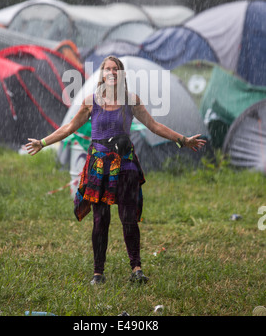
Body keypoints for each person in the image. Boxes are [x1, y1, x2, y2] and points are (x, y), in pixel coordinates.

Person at [26, 55, 206, 285]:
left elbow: (154, 125)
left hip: (125, 164)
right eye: (108, 69)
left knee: (129, 219)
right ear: (102, 74)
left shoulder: (131, 100)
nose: (112, 73)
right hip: (98, 166)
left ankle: (136, 269)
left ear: (121, 75)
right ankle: (98, 274)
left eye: (116, 69)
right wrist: (43, 142)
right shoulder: (91, 101)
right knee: (101, 220)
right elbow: (70, 127)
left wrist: (183, 139)